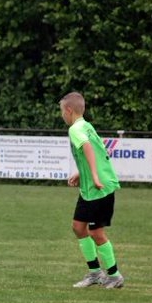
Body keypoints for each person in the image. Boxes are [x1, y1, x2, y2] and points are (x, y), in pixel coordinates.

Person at [59, 91, 124, 289]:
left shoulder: (75, 129)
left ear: (69, 110)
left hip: (98, 188)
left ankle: (114, 276)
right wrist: (82, 173)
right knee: (78, 227)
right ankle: (95, 273)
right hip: (90, 189)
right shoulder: (86, 125)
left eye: (62, 111)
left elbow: (87, 147)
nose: (62, 115)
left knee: (96, 232)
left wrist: (94, 176)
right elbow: (98, 150)